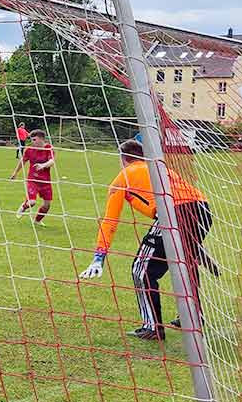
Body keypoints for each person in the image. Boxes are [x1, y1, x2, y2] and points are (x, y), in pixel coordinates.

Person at [79, 139, 215, 341]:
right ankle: (194, 316)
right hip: (203, 210)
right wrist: (194, 242)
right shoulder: (160, 169)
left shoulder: (123, 178)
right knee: (186, 264)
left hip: (174, 213)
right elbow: (187, 204)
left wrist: (99, 256)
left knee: (141, 271)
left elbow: (110, 220)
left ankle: (153, 327)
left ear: (123, 158)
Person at [10, 129, 55, 224]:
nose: (32, 142)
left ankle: (37, 221)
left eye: (34, 140)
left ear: (42, 139)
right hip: (32, 180)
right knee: (32, 202)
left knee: (47, 205)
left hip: (45, 181)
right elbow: (22, 161)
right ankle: (23, 207)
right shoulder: (29, 150)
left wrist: (43, 165)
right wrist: (15, 173)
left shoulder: (49, 148)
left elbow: (52, 161)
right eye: (32, 140)